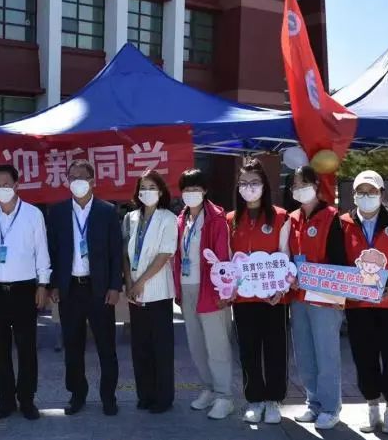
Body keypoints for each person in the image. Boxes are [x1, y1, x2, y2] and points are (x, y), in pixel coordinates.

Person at [339, 170, 388, 434]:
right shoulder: (343, 224)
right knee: (364, 356)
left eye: (372, 191)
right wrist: (344, 289)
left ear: (382, 194)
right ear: (353, 195)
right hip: (358, 305)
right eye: (361, 192)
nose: (366, 196)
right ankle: (372, 406)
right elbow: (337, 261)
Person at [0, 164, 51, 421]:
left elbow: (42, 251)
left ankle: (27, 400)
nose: (1, 188)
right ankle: (5, 400)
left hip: (24, 289)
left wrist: (42, 284)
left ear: (17, 185)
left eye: (6, 183)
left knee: (26, 347)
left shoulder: (32, 214)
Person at [47, 160, 123, 416]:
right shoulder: (58, 212)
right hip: (70, 289)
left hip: (99, 289)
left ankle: (108, 397)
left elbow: (116, 252)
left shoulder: (107, 211)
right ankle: (77, 395)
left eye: (82, 177)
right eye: (72, 177)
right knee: (72, 346)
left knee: (106, 346)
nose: (76, 181)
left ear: (93, 181)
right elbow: (53, 251)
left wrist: (115, 286)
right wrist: (54, 284)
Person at [228, 159, 291, 425]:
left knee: (275, 348)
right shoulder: (231, 219)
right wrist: (230, 287)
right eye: (244, 183)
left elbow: (285, 255)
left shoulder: (280, 216)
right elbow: (229, 260)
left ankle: (274, 400)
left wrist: (281, 288)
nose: (249, 188)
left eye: (254, 182)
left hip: (273, 297)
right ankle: (254, 399)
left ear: (265, 185)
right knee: (248, 349)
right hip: (244, 298)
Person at [287, 165, 348, 429]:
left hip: (325, 297)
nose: (299, 189)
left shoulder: (333, 217)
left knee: (326, 353)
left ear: (315, 185)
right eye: (295, 185)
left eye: (304, 184)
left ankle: (330, 407)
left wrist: (314, 277)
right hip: (299, 297)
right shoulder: (292, 218)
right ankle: (313, 402)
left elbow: (339, 260)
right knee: (304, 352)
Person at [174, 168, 234, 420]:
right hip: (187, 287)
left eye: (195, 189)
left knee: (217, 344)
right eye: (186, 189)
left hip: (210, 289)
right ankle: (208, 388)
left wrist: (224, 291)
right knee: (196, 344)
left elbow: (223, 256)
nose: (191, 194)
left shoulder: (217, 218)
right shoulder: (181, 219)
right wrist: (178, 290)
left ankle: (224, 396)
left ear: (205, 190)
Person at [123, 170, 179, 414]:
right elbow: (125, 254)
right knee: (140, 346)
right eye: (143, 187)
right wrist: (129, 282)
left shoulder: (168, 218)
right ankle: (144, 394)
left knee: (161, 347)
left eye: (152, 187)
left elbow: (164, 255)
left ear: (161, 191)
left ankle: (163, 398)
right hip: (134, 291)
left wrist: (140, 282)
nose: (147, 192)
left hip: (157, 291)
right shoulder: (130, 218)